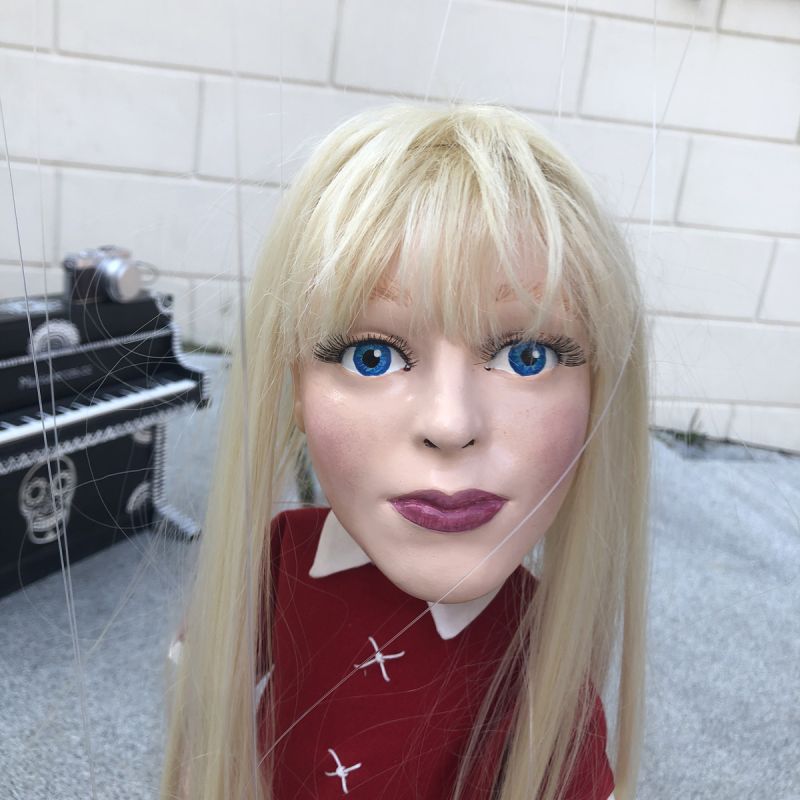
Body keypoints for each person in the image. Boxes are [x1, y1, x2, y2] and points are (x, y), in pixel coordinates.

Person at [161, 103, 649, 800]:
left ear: (599, 391)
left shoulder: (542, 680)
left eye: (528, 354)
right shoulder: (285, 557)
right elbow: (205, 690)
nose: (450, 425)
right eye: (371, 355)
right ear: (293, 387)